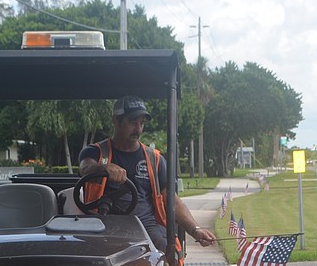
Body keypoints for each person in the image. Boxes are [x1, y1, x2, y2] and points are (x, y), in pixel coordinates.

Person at [78, 95, 216, 253]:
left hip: (145, 225)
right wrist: (103, 168)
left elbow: (173, 202)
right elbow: (85, 168)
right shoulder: (95, 152)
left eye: (141, 123)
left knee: (165, 258)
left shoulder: (154, 159)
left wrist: (195, 230)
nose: (138, 129)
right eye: (132, 122)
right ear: (116, 121)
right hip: (103, 224)